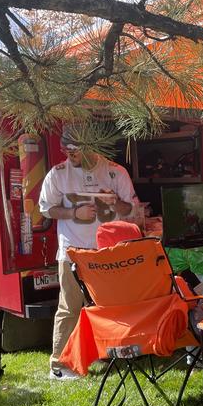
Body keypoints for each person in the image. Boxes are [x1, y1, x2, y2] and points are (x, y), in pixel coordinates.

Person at [39, 128, 138, 380]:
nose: (69, 155)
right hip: (73, 250)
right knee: (69, 307)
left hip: (107, 253)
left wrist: (114, 202)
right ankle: (59, 365)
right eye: (66, 150)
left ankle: (110, 355)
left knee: (109, 307)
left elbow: (130, 210)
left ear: (91, 146)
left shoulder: (115, 172)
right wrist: (74, 213)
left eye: (74, 150)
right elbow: (47, 209)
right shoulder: (58, 174)